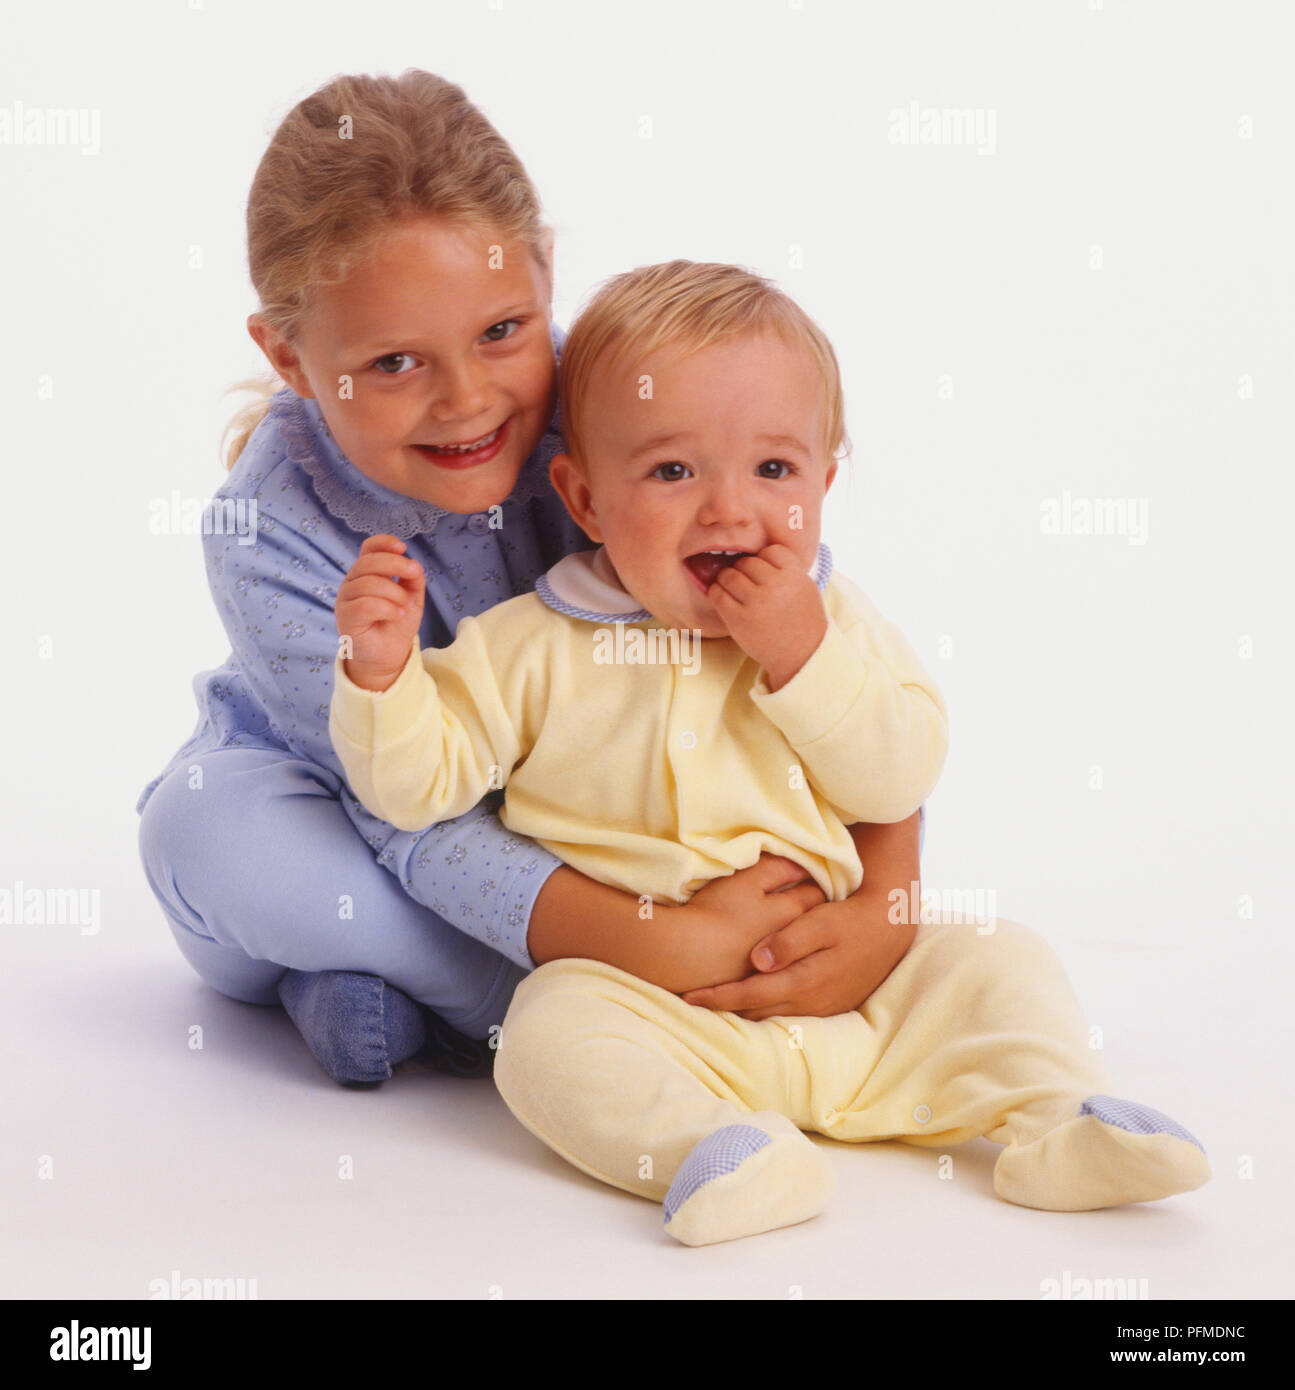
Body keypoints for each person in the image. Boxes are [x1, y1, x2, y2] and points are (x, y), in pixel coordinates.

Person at [329, 260, 1211, 1245]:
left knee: (996, 957)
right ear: (582, 499)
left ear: (823, 483)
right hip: (666, 1012)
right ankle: (714, 1146)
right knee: (545, 1036)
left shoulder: (833, 622)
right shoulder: (528, 644)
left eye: (773, 470)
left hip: (863, 999)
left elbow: (899, 773)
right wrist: (381, 679)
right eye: (671, 471)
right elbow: (416, 787)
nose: (727, 510)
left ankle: (1055, 1122)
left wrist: (801, 655)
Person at [137, 71, 922, 1087]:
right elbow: (400, 819)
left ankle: (403, 991)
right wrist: (656, 944)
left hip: (609, 825)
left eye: (501, 331)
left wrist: (883, 907)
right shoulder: (266, 528)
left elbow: (821, 649)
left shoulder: (631, 403)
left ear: (546, 270)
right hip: (376, 819)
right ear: (290, 356)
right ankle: (548, 1001)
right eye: (392, 364)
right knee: (212, 834)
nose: (467, 400)